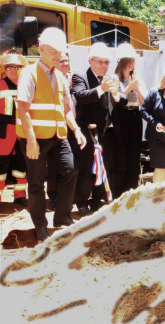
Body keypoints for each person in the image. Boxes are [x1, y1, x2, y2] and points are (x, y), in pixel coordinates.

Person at [16, 27, 86, 242]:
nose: (59, 56)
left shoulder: (61, 77)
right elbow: (23, 109)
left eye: (61, 52)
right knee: (36, 183)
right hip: (34, 137)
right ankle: (40, 226)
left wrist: (76, 129)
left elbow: (64, 110)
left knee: (71, 170)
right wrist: (30, 141)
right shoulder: (28, 74)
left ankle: (62, 218)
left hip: (57, 137)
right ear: (42, 48)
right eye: (54, 51)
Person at [71, 42, 127, 215]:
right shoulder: (80, 76)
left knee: (103, 166)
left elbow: (123, 101)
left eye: (107, 62)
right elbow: (81, 97)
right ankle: (81, 202)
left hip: (106, 132)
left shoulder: (110, 79)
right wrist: (100, 89)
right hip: (88, 131)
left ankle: (97, 200)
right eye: (100, 62)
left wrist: (117, 93)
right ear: (90, 61)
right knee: (85, 166)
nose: (104, 66)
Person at [113, 43, 147, 194]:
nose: (132, 64)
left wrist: (136, 87)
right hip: (121, 116)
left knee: (134, 155)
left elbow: (144, 101)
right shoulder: (115, 79)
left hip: (135, 116)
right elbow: (116, 100)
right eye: (129, 61)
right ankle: (118, 191)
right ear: (122, 62)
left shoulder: (137, 78)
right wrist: (129, 86)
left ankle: (131, 190)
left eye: (133, 61)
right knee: (120, 156)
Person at [0, 49, 28, 206]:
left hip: (22, 130)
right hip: (4, 131)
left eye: (17, 68)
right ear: (5, 69)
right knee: (1, 165)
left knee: (21, 164)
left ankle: (19, 195)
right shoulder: (0, 85)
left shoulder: (27, 85)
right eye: (10, 67)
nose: (14, 71)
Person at [47, 51, 75, 209]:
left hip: (72, 126)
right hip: (56, 126)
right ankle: (53, 196)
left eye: (67, 61)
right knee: (53, 165)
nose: (65, 64)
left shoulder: (73, 78)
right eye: (62, 61)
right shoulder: (52, 77)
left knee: (69, 165)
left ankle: (66, 198)